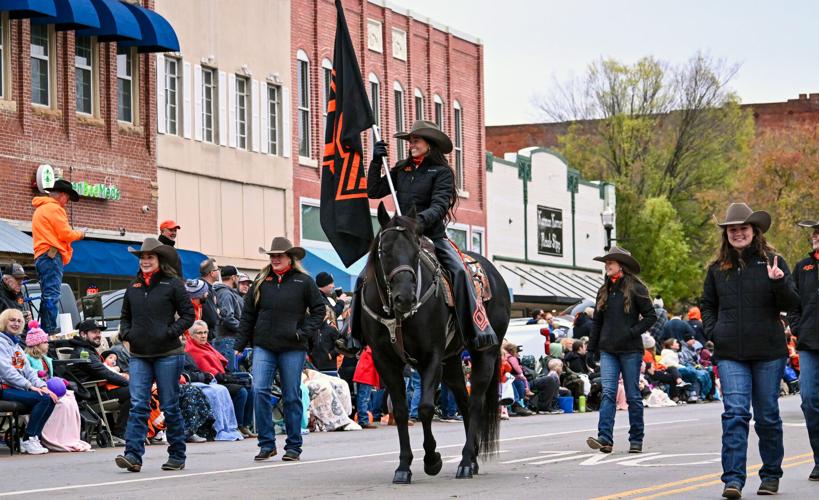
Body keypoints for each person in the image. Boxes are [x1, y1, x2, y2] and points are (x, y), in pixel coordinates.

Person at [364, 120, 498, 351]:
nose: (411, 144)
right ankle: (353, 335)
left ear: (430, 144)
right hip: (402, 239)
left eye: (416, 140)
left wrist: (417, 222)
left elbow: (439, 205)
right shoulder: (401, 169)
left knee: (459, 272)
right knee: (366, 274)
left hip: (432, 236)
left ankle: (474, 328)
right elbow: (374, 190)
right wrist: (376, 161)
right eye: (410, 140)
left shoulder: (442, 172)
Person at [701, 203, 800, 498]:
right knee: (735, 414)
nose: (738, 233)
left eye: (743, 228)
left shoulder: (773, 261)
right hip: (731, 352)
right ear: (727, 235)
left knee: (767, 415)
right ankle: (733, 479)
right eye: (733, 230)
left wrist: (779, 283)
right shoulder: (717, 269)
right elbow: (707, 305)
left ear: (754, 231)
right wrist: (714, 331)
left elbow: (792, 303)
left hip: (769, 352)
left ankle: (771, 475)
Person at [237, 237, 325, 462]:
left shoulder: (304, 282)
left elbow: (318, 310)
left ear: (290, 258)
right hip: (264, 344)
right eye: (272, 256)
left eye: (279, 255)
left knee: (291, 394)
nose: (275, 259)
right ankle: (267, 443)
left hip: (293, 346)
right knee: (259, 390)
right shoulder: (261, 281)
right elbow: (248, 314)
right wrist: (239, 344)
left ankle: (293, 445)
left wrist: (302, 332)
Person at [115, 238, 195, 473]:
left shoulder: (173, 284)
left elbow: (188, 315)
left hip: (168, 353)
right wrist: (126, 333)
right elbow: (125, 315)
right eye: (142, 257)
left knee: (170, 406)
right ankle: (132, 456)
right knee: (139, 404)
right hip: (140, 354)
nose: (145, 261)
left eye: (150, 257)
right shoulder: (133, 287)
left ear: (159, 260)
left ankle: (177, 455)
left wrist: (169, 332)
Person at [587, 246, 657, 455]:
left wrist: (632, 332)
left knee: (633, 395)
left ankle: (636, 439)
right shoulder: (604, 290)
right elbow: (597, 322)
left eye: (611, 262)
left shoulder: (636, 288)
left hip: (630, 351)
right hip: (608, 349)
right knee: (608, 392)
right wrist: (591, 349)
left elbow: (651, 316)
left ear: (622, 266)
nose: (607, 265)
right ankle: (605, 439)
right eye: (606, 262)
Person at [24, 321, 90, 452]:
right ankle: (52, 436)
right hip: (36, 387)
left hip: (48, 386)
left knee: (70, 398)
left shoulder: (47, 359)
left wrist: (60, 380)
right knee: (61, 403)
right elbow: (28, 373)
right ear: (36, 344)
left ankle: (67, 435)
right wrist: (38, 374)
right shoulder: (28, 358)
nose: (48, 344)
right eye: (45, 342)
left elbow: (50, 376)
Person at [787, 219, 819, 481]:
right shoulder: (802, 267)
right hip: (809, 343)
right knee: (809, 400)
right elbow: (792, 303)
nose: (816, 236)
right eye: (815, 232)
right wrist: (797, 327)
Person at [31, 179, 85, 333]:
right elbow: (66, 234)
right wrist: (80, 234)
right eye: (67, 198)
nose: (67, 202)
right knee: (52, 294)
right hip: (51, 255)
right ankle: (48, 330)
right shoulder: (55, 209)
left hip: (42, 255)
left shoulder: (41, 209)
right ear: (62, 195)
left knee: (47, 294)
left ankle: (43, 330)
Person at [0, 308, 57, 454]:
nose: (16, 323)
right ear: (4, 322)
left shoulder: (16, 345)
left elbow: (28, 371)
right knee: (42, 399)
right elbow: (7, 372)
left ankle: (33, 438)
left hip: (15, 388)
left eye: (19, 320)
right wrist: (30, 386)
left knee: (48, 397)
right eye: (12, 320)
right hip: (3, 388)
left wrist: (43, 386)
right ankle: (29, 438)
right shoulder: (1, 343)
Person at [185, 320, 254, 438]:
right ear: (191, 335)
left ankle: (245, 425)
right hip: (208, 382)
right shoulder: (190, 349)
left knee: (250, 389)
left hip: (220, 378)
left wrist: (229, 376)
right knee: (240, 391)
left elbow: (221, 366)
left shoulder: (207, 347)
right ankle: (237, 425)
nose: (203, 336)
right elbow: (205, 372)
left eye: (205, 332)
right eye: (199, 333)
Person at [69, 319, 131, 440]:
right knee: (133, 391)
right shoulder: (83, 352)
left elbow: (105, 371)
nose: (98, 335)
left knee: (137, 389)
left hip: (99, 389)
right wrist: (128, 382)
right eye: (94, 332)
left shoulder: (88, 349)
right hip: (90, 394)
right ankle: (119, 432)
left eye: (99, 332)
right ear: (83, 334)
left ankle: (136, 430)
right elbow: (104, 373)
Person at [213, 265, 244, 371]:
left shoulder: (222, 292)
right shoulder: (226, 293)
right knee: (231, 374)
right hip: (227, 341)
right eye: (238, 277)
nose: (238, 280)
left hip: (224, 340)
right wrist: (244, 329)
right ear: (233, 277)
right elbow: (227, 318)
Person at [198, 259, 221, 337]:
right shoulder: (203, 289)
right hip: (205, 336)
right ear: (212, 273)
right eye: (217, 269)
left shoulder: (208, 288)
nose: (219, 271)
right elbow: (212, 318)